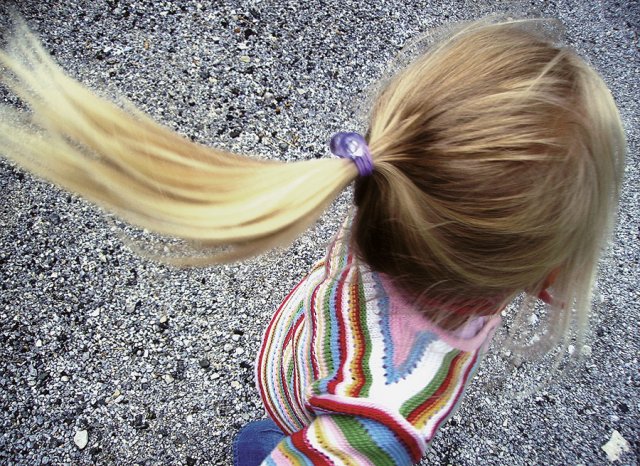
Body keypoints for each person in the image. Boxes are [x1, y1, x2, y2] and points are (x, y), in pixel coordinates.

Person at [0, 17, 625, 466]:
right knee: (258, 446)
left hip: (299, 365)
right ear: (548, 276)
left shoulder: (388, 201)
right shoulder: (384, 428)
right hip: (307, 413)